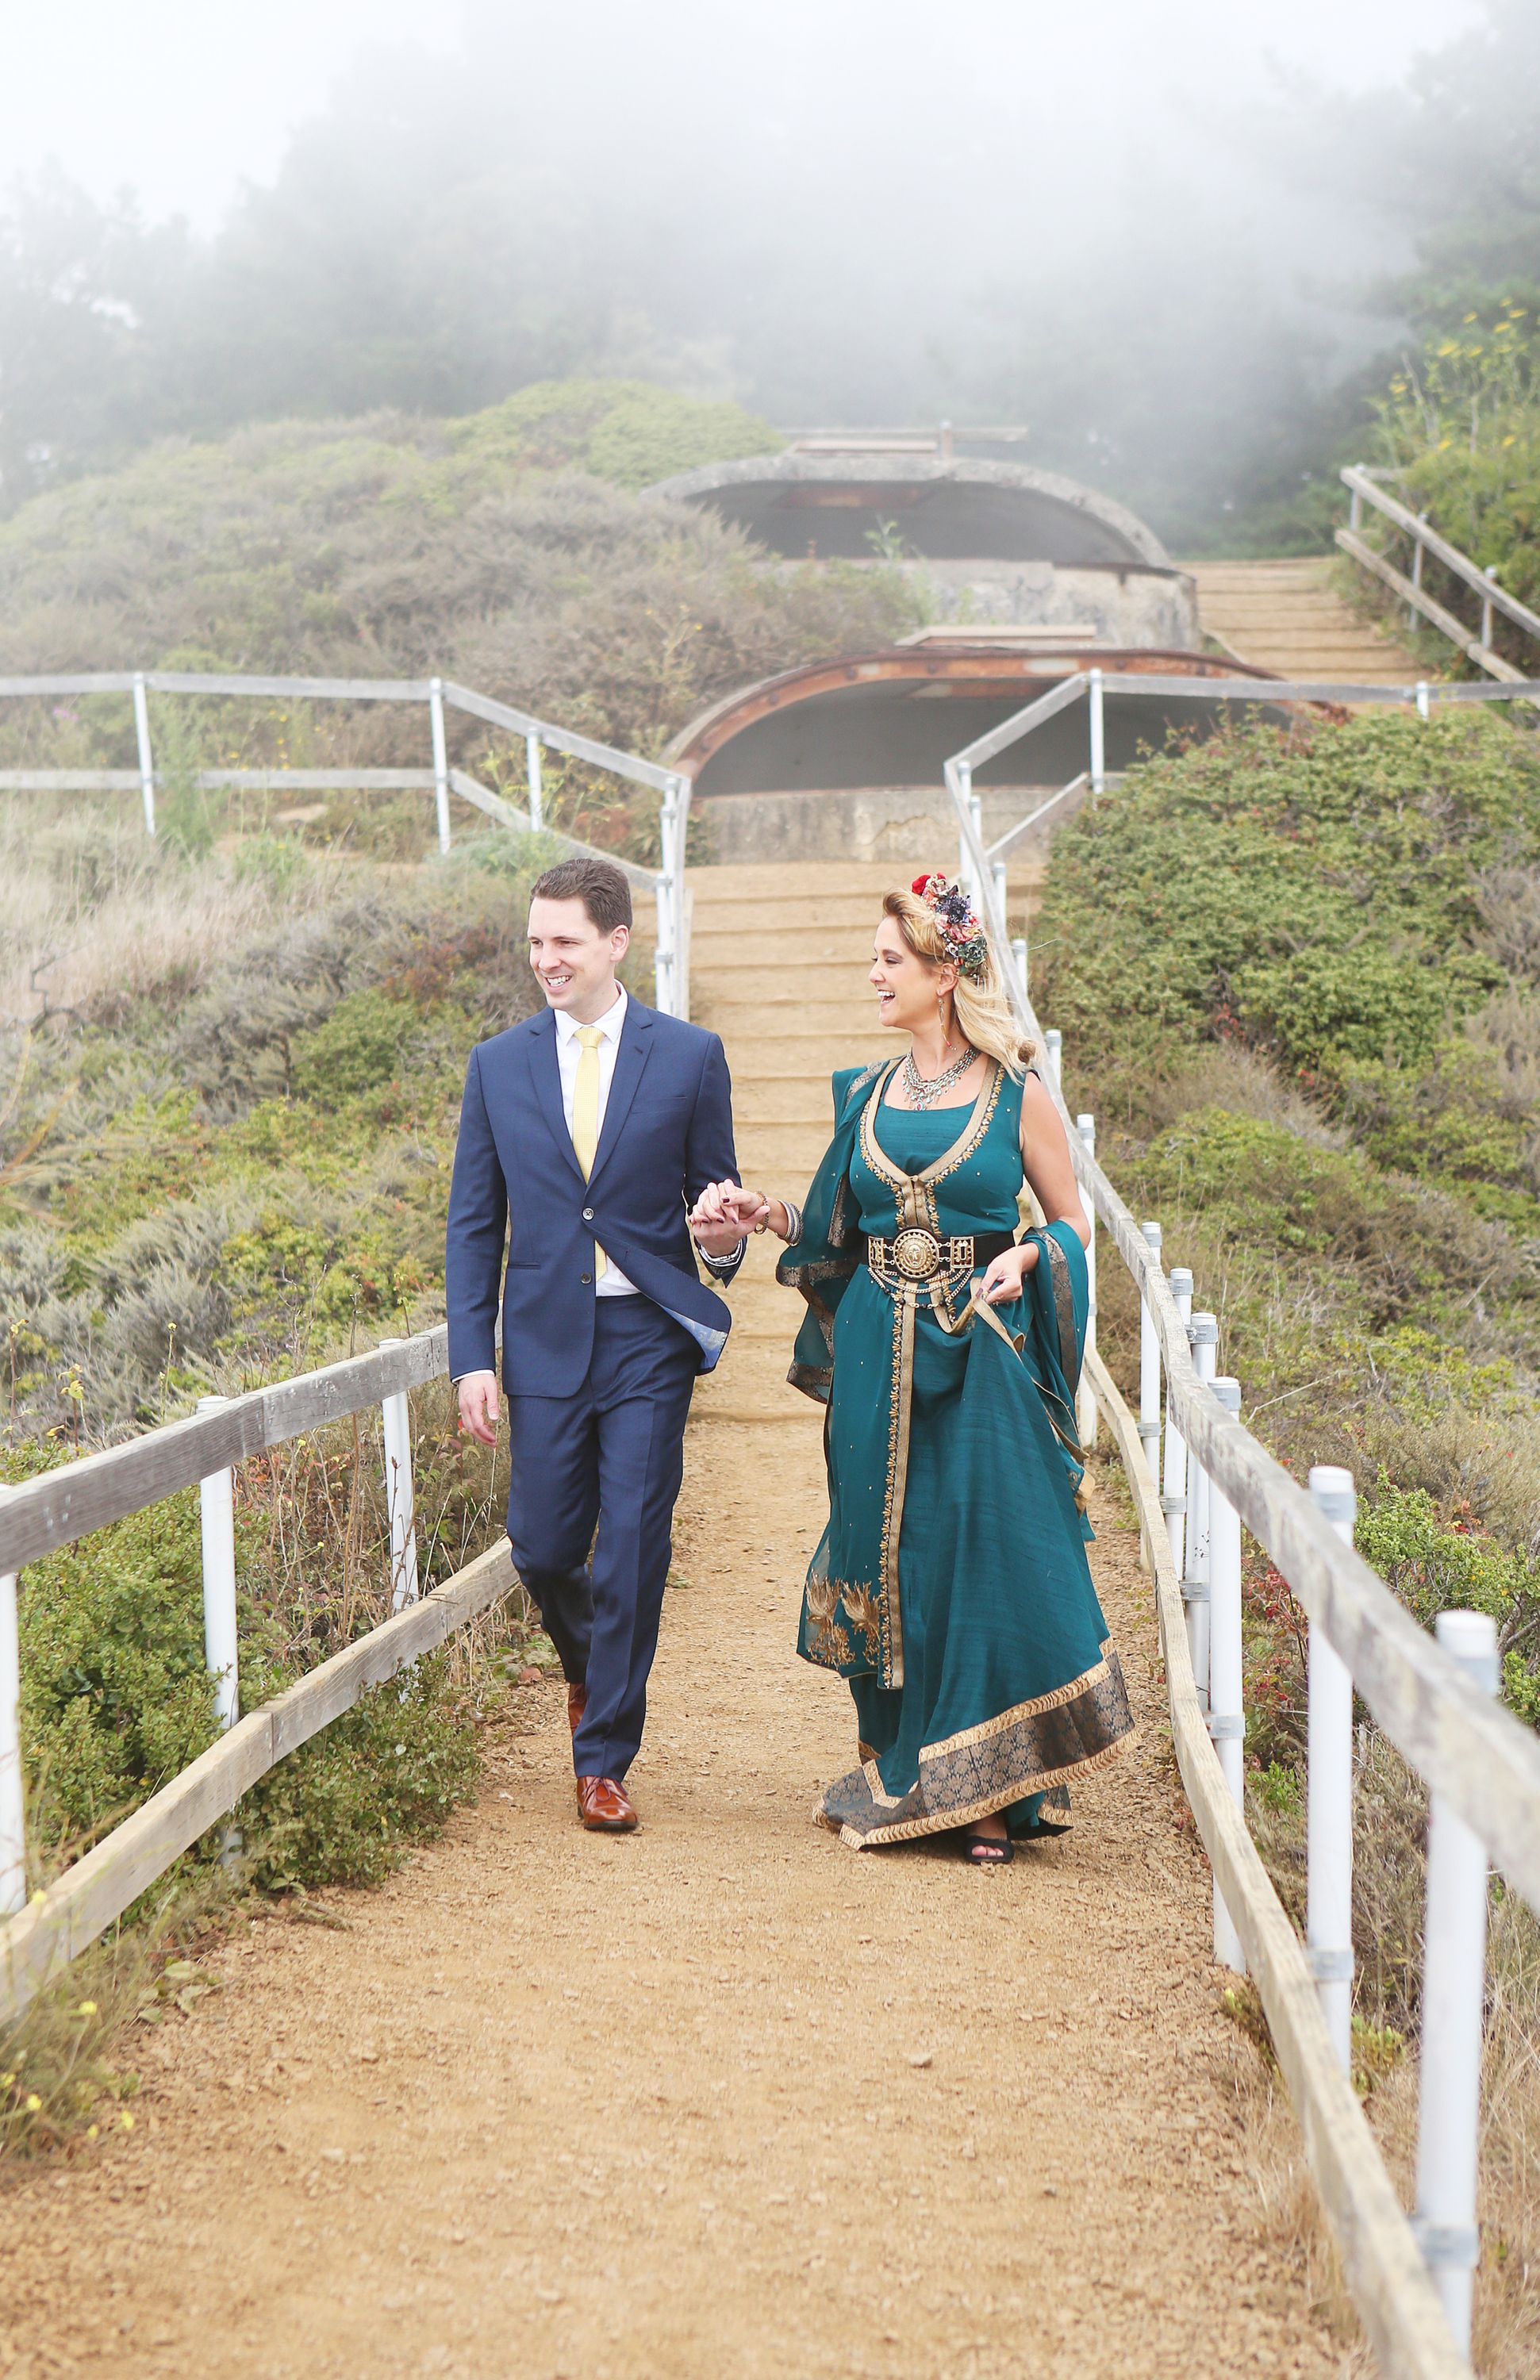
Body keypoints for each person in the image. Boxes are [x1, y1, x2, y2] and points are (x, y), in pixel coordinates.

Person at [692, 872, 1134, 1862]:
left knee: (976, 1552)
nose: (873, 974)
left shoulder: (1019, 1091)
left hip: (980, 1348)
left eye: (890, 959)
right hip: (874, 1351)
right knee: (886, 1552)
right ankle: (911, 1767)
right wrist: (767, 1216)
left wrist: (1025, 1258)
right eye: (875, 959)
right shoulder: (865, 1094)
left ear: (945, 974)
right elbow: (835, 1238)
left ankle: (987, 1791)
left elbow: (1072, 1226)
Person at [447, 854, 746, 1834]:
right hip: (538, 1341)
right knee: (540, 1548)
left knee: (633, 1550)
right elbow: (473, 1227)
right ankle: (592, 1670)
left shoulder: (692, 1055)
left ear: (618, 941)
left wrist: (725, 1239)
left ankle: (604, 1757)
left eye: (565, 940)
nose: (547, 959)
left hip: (646, 1340)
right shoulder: (496, 1065)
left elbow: (717, 1202)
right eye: (536, 941)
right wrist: (473, 1356)